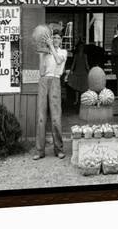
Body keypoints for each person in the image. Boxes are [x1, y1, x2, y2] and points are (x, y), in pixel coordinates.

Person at [34, 30, 68, 160]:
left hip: (55, 80)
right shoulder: (46, 52)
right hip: (43, 81)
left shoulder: (62, 52)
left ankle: (58, 149)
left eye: (58, 38)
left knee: (55, 118)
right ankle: (39, 151)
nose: (55, 39)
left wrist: (51, 47)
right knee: (41, 117)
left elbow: (59, 61)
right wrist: (42, 54)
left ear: (61, 40)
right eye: (54, 37)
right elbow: (42, 72)